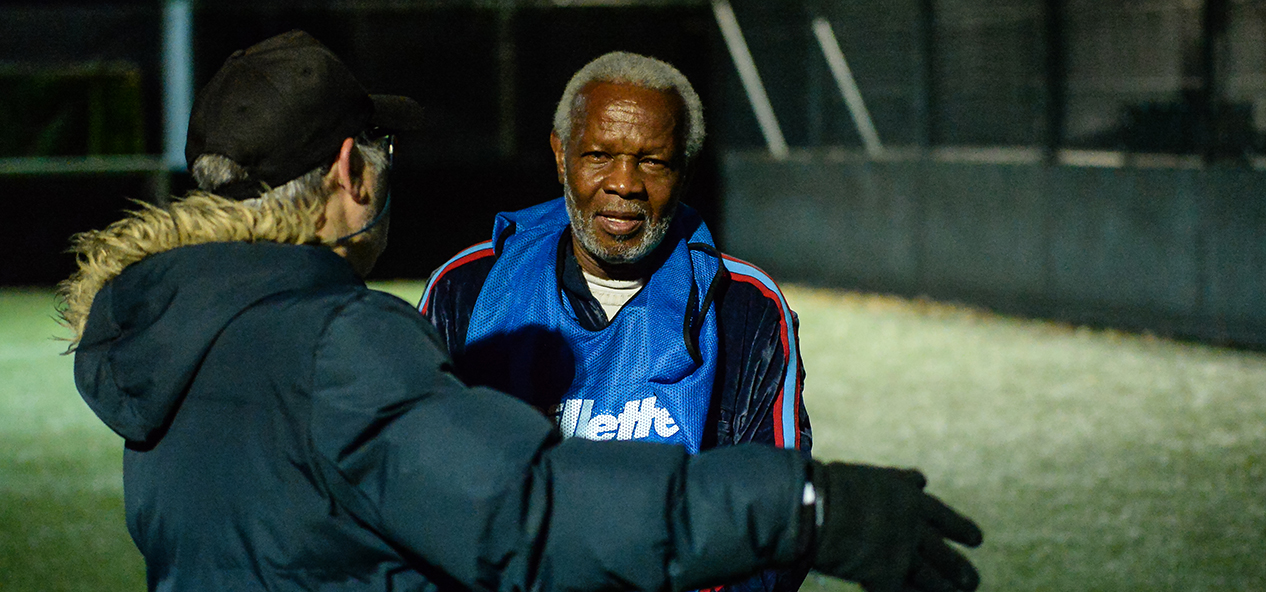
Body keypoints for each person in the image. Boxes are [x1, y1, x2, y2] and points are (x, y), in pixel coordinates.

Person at [58, 31, 983, 592]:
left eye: (653, 161)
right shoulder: (344, 343)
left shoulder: (164, 340)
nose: (623, 183)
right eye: (382, 147)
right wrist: (808, 505)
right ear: (351, 171)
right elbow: (527, 512)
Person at [421, 52, 815, 591]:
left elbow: (775, 516)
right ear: (561, 157)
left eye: (652, 161)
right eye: (600, 155)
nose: (624, 183)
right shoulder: (466, 289)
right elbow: (419, 499)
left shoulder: (743, 306)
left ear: (686, 170)